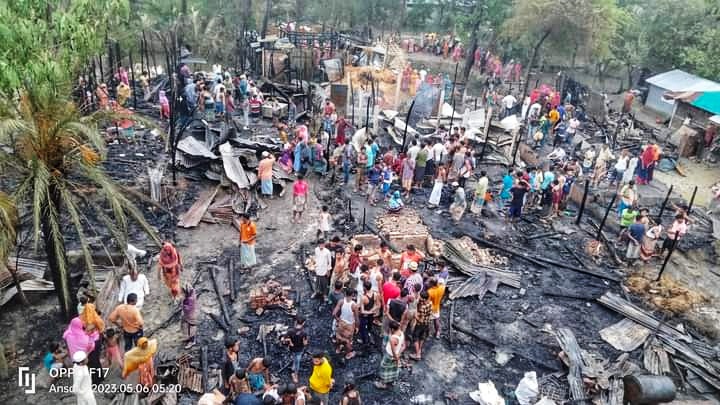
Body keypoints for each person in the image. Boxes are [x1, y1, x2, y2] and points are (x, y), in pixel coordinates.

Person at [375, 320, 405, 389]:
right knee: (393, 368)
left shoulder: (392, 339)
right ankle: (392, 380)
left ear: (392, 329)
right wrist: (398, 354)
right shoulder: (401, 333)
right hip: (396, 354)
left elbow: (393, 351)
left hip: (390, 355)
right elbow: (403, 346)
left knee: (383, 367)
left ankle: (383, 383)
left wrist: (397, 359)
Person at [282, 315, 308, 384]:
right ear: (303, 323)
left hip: (292, 349)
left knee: (294, 357)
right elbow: (305, 343)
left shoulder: (290, 331)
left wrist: (290, 341)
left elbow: (283, 339)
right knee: (298, 362)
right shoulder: (304, 333)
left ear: (296, 322)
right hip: (300, 350)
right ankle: (295, 375)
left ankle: (293, 365)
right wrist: (305, 341)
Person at [333, 289, 358, 359]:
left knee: (339, 337)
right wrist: (357, 327)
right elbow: (357, 318)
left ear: (345, 293)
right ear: (353, 295)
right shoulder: (354, 305)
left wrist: (338, 320)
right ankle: (348, 354)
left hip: (341, 322)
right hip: (350, 325)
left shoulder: (341, 301)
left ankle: (338, 349)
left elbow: (334, 313)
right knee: (347, 341)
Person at [410, 291, 432, 360]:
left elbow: (421, 320)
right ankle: (419, 350)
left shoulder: (422, 307)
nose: (419, 297)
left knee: (415, 337)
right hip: (427, 323)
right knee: (422, 336)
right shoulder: (430, 303)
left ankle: (417, 354)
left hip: (420, 324)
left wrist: (415, 316)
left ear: (424, 299)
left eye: (421, 297)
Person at [359, 281, 380, 345]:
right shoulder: (375, 294)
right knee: (369, 327)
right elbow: (378, 305)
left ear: (364, 288)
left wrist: (369, 312)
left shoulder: (363, 297)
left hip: (365, 315)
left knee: (362, 329)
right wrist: (372, 311)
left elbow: (362, 311)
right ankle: (369, 336)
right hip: (371, 315)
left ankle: (364, 341)